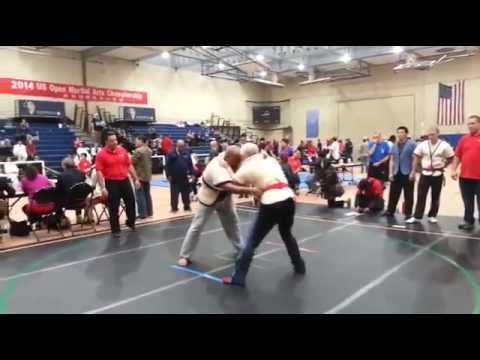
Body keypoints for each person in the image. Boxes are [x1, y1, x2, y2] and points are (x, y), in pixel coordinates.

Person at [223, 143, 306, 287]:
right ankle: (299, 266)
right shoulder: (270, 159)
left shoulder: (247, 167)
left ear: (244, 155)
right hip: (288, 198)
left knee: (252, 242)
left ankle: (238, 278)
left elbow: (232, 183)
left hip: (272, 201)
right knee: (286, 234)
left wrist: (227, 166)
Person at [177, 146, 262, 267]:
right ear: (228, 158)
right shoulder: (216, 168)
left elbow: (243, 169)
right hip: (209, 196)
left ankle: (240, 249)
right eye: (235, 162)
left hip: (225, 197)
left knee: (232, 222)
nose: (238, 164)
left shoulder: (230, 157)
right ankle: (184, 255)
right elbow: (231, 186)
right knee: (197, 225)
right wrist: (252, 190)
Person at [95, 132, 141, 238]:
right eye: (112, 140)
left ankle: (131, 222)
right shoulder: (101, 154)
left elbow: (129, 166)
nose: (115, 142)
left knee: (131, 202)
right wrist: (103, 187)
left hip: (124, 180)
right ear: (106, 142)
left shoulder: (122, 151)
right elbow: (99, 172)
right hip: (111, 183)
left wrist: (136, 179)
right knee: (114, 207)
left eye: (115, 140)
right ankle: (115, 229)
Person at [405, 126, 455, 224]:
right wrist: (413, 171)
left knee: (435, 196)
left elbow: (451, 157)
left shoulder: (444, 145)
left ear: (438, 134)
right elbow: (415, 157)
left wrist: (444, 165)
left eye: (432, 134)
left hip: (437, 174)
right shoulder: (423, 145)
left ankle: (432, 215)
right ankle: (417, 216)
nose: (430, 136)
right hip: (425, 173)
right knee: (421, 195)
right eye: (429, 134)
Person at [451, 115, 480, 230]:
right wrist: (453, 169)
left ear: (479, 124)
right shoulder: (464, 139)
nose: (470, 126)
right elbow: (458, 155)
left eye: (473, 123)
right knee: (467, 201)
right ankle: (468, 221)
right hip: (465, 177)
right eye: (468, 124)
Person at [384, 126, 417, 219]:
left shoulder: (412, 144)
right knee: (393, 193)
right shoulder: (394, 145)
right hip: (396, 173)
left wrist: (413, 172)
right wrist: (390, 173)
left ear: (406, 133)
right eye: (398, 132)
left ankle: (408, 213)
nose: (400, 134)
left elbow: (415, 159)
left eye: (402, 132)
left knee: (409, 195)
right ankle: (390, 211)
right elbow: (392, 160)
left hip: (408, 173)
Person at [55, 157, 87, 224]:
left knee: (56, 199)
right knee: (78, 192)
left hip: (68, 203)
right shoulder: (82, 173)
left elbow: (58, 190)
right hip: (82, 201)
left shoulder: (61, 175)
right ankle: (79, 215)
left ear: (64, 165)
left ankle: (62, 218)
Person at [166, 140, 193, 213]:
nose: (182, 148)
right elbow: (167, 165)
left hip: (184, 177)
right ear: (177, 146)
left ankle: (187, 206)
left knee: (186, 193)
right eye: (180, 146)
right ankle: (174, 208)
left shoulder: (187, 153)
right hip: (174, 178)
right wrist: (168, 175)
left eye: (183, 146)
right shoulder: (171, 153)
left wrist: (192, 174)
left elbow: (190, 165)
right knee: (174, 194)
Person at [132, 135, 153, 219]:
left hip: (139, 176)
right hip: (147, 175)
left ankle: (142, 214)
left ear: (141, 141)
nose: (135, 142)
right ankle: (149, 212)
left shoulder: (138, 151)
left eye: (136, 140)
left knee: (140, 196)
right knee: (147, 195)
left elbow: (132, 162)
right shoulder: (149, 150)